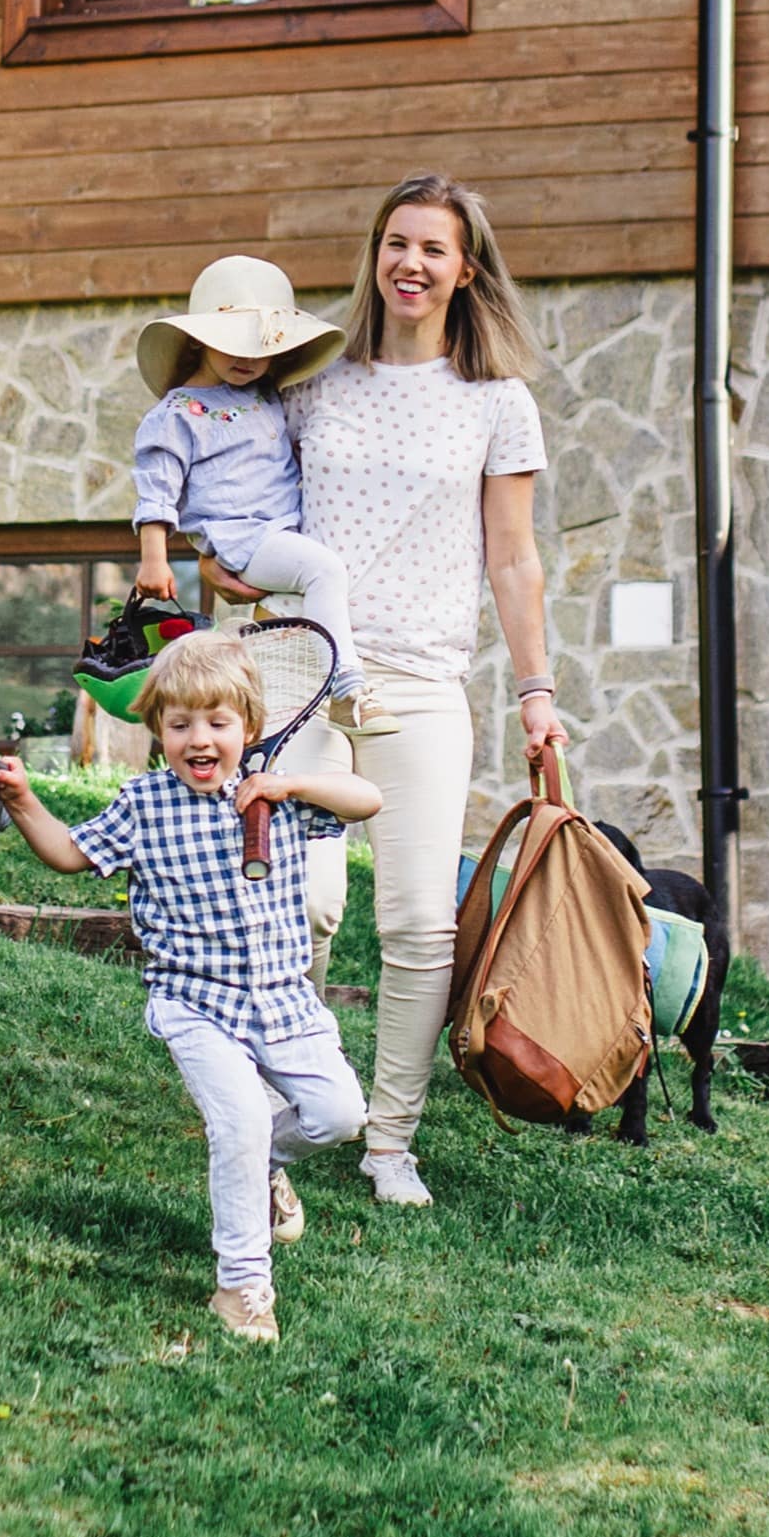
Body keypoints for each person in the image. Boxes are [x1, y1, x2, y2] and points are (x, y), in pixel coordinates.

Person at [210, 173, 569, 1211]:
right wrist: (217, 562)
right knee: (303, 900)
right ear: (376, 255)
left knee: (418, 925)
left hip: (419, 682)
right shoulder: (312, 380)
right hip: (296, 674)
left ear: (466, 270)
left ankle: (389, 1142)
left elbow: (512, 558)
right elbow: (236, 501)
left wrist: (535, 690)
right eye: (397, 243)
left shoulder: (498, 404)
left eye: (434, 249)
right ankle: (283, 1118)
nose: (411, 263)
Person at [0, 631, 379, 1346]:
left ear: (250, 729)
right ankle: (242, 1288)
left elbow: (368, 798)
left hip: (285, 1001)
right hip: (197, 1005)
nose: (199, 739)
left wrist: (290, 784)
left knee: (339, 1115)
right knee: (240, 1123)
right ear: (157, 730)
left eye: (218, 722)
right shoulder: (144, 804)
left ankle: (262, 1173)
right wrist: (21, 801)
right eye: (180, 724)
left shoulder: (277, 800)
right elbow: (69, 854)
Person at [129, 255, 396, 735]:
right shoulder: (177, 414)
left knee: (307, 584)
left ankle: (302, 667)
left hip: (279, 531)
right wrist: (155, 559)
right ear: (197, 339)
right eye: (232, 344)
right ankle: (347, 687)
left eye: (263, 347)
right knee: (324, 570)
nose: (247, 358)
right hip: (242, 537)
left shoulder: (263, 393)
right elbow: (157, 488)